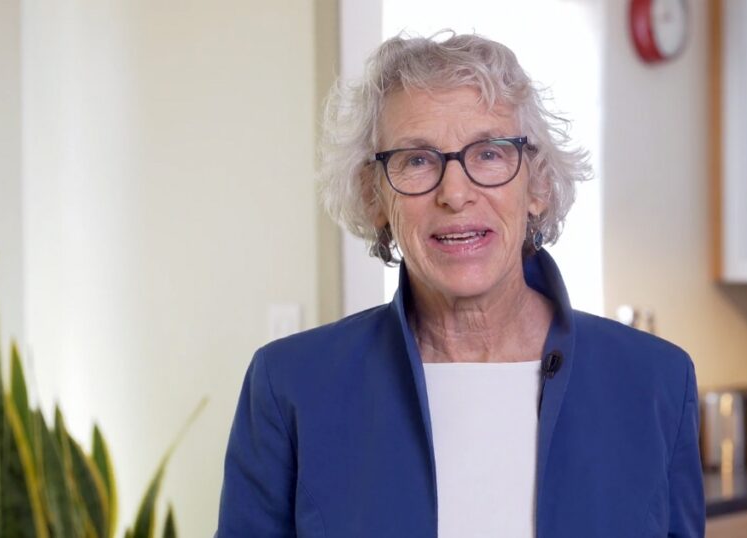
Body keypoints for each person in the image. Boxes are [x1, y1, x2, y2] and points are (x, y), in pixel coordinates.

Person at [217, 32, 704, 537]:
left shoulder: (657, 382)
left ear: (537, 183)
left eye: (489, 153)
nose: (454, 193)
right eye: (417, 159)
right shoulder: (290, 385)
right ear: (374, 195)